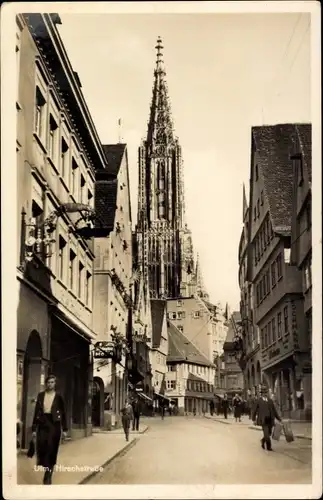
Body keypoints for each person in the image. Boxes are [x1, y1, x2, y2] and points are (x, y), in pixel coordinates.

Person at [31, 375, 67, 484]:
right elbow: (36, 412)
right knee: (42, 448)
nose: (50, 384)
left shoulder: (58, 396)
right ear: (46, 384)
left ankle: (48, 474)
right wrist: (34, 428)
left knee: (51, 449)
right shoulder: (41, 395)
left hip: (54, 424)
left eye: (52, 382)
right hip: (43, 423)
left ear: (55, 384)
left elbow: (64, 413)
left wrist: (65, 429)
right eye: (48, 382)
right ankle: (47, 470)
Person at [252, 385, 282, 451]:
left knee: (269, 433)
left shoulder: (270, 401)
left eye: (266, 392)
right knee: (266, 434)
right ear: (261, 394)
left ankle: (262, 441)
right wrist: (253, 419)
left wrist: (279, 419)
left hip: (270, 420)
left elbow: (274, 411)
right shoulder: (258, 401)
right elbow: (254, 410)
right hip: (263, 420)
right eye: (263, 393)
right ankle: (269, 447)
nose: (265, 394)